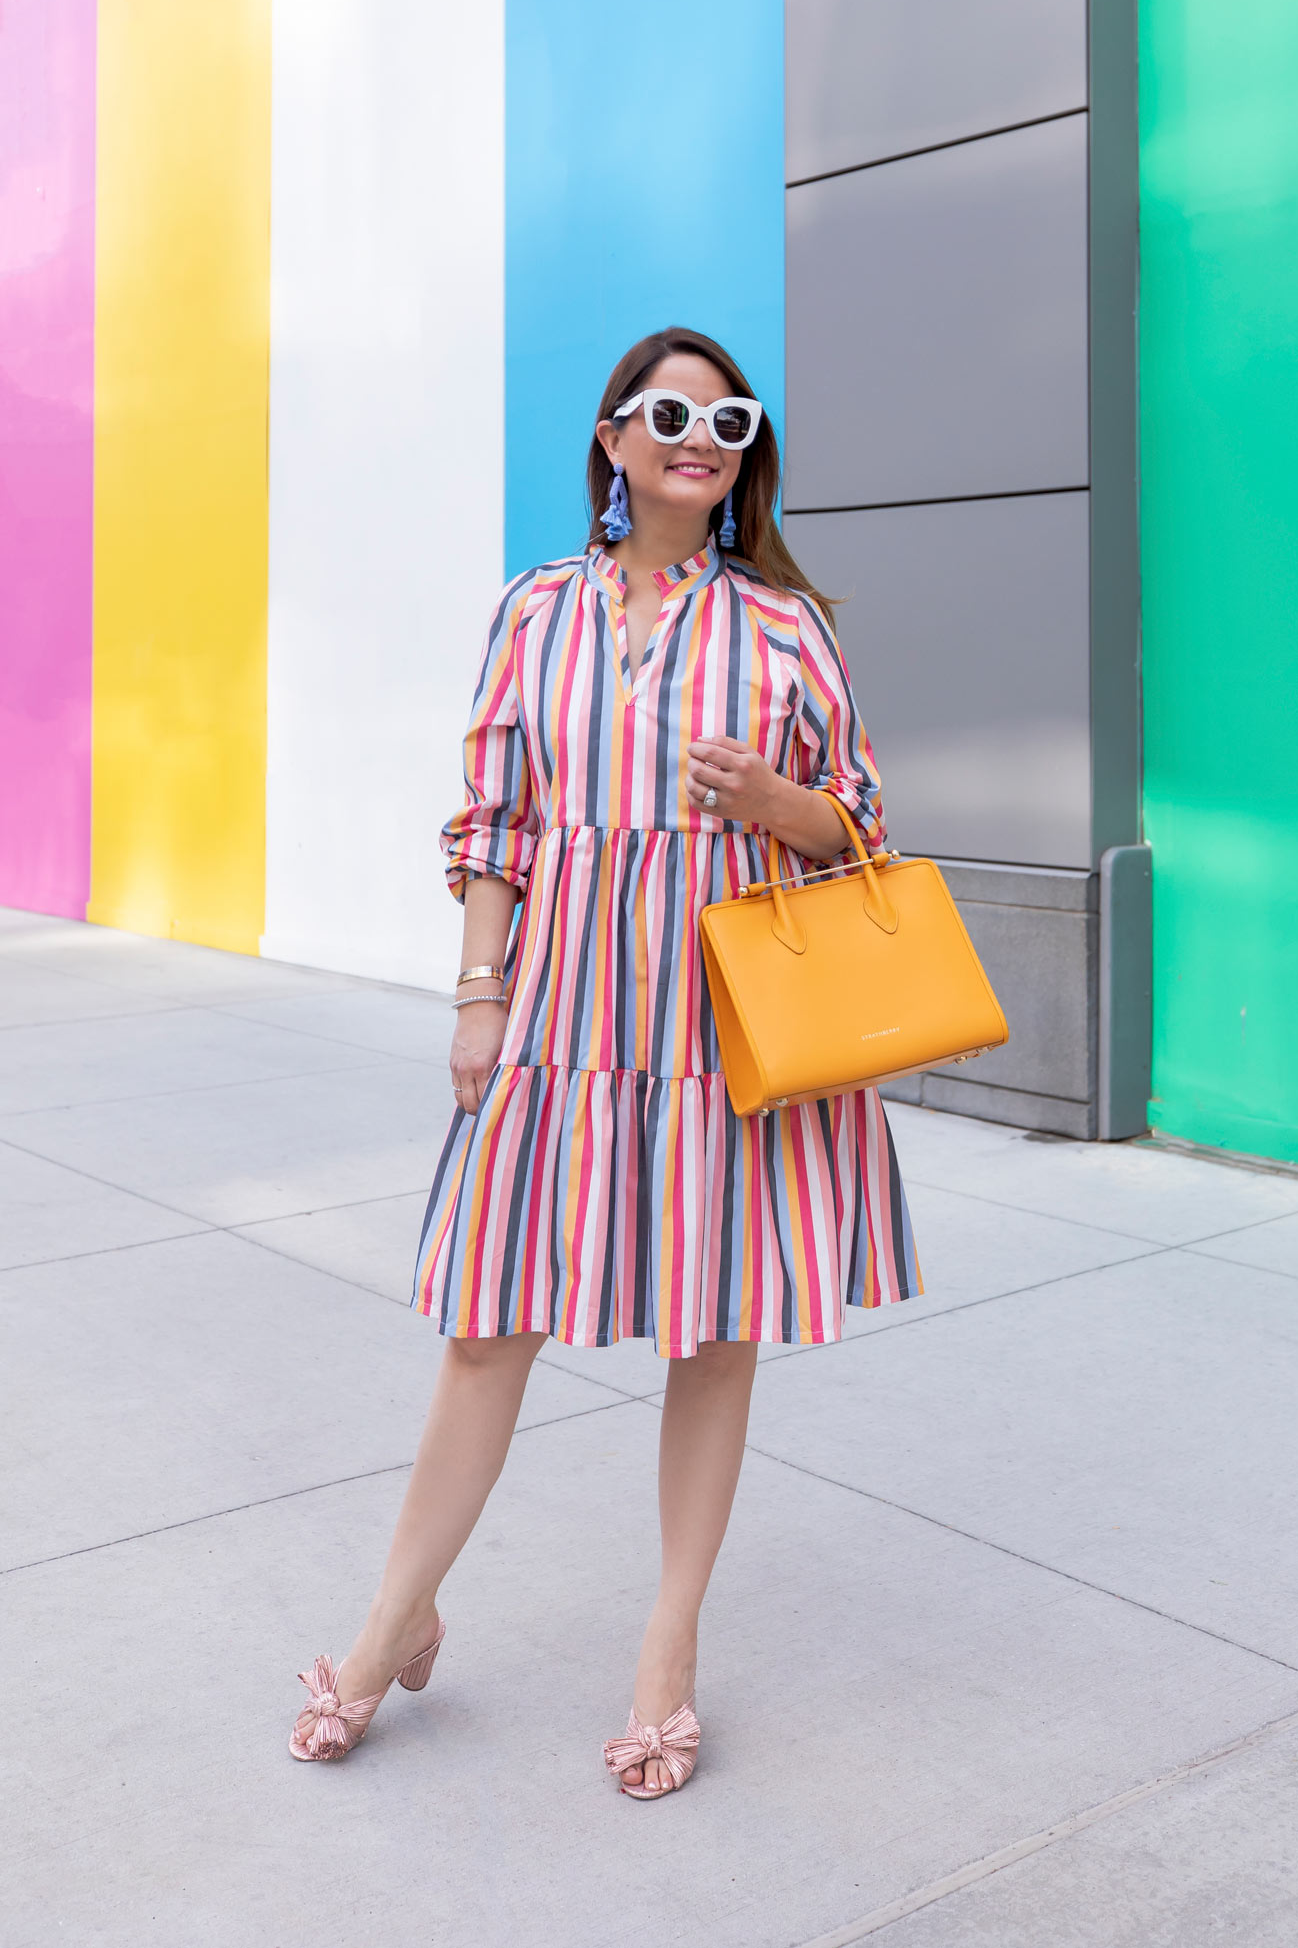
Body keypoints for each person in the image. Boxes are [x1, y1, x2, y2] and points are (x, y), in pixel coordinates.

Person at [288, 326, 921, 1796]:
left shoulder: (784, 627)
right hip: (562, 1022)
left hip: (719, 1031)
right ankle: (395, 1616)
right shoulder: (537, 610)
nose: (702, 437)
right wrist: (476, 990)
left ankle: (668, 1646)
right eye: (671, 413)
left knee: (713, 1328)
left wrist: (778, 796)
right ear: (617, 438)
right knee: (489, 1323)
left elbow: (866, 821)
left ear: (744, 454)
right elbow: (496, 817)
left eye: (730, 419)